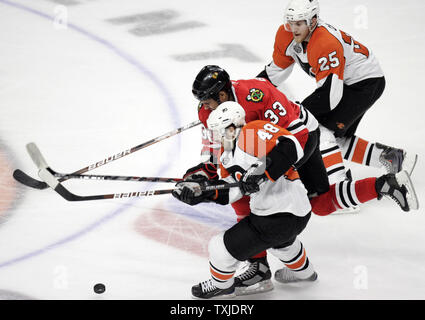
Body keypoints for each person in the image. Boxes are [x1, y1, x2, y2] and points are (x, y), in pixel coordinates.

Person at [172, 102, 418, 299]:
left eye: (218, 132)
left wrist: (262, 173)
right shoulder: (228, 155)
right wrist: (198, 192)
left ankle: (221, 286)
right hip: (288, 216)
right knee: (283, 244)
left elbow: (290, 146)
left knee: (219, 247)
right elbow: (229, 193)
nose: (216, 138)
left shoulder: (251, 132)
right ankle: (305, 273)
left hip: (278, 216)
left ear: (232, 127)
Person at [184, 64, 330, 296]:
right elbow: (220, 162)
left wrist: (263, 172)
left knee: (319, 201)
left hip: (300, 134)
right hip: (263, 152)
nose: (204, 108)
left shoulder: (257, 97)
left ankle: (261, 256)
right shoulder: (215, 119)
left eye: (207, 101)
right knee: (244, 189)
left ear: (222, 95)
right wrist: (200, 184)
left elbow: (293, 141)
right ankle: (275, 266)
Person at [257, 0, 417, 185]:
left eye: (299, 23)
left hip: (364, 83)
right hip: (348, 83)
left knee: (321, 130)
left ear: (313, 20)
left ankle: (339, 186)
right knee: (333, 137)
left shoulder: (325, 42)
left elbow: (329, 97)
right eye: (290, 22)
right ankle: (393, 159)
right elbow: (275, 72)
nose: (293, 28)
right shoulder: (286, 35)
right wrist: (250, 92)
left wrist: (295, 114)